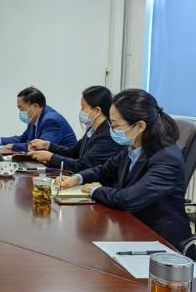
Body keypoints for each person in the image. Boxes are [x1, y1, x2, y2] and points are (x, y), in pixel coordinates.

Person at [56, 89, 192, 250]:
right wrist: (77, 178)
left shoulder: (167, 159)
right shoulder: (134, 147)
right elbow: (104, 170)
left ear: (140, 126)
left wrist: (95, 190)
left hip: (161, 241)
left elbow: (129, 199)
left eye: (116, 125)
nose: (112, 130)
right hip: (132, 228)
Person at [29, 86, 123, 172]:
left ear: (97, 111)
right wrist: (47, 145)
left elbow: (84, 165)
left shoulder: (107, 135)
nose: (81, 111)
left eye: (83, 107)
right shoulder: (92, 130)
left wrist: (51, 157)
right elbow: (73, 152)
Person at [0, 87, 76, 152]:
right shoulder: (34, 118)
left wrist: (13, 146)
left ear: (35, 106)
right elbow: (22, 139)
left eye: (21, 108)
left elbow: (40, 147)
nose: (20, 112)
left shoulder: (50, 120)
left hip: (62, 164)